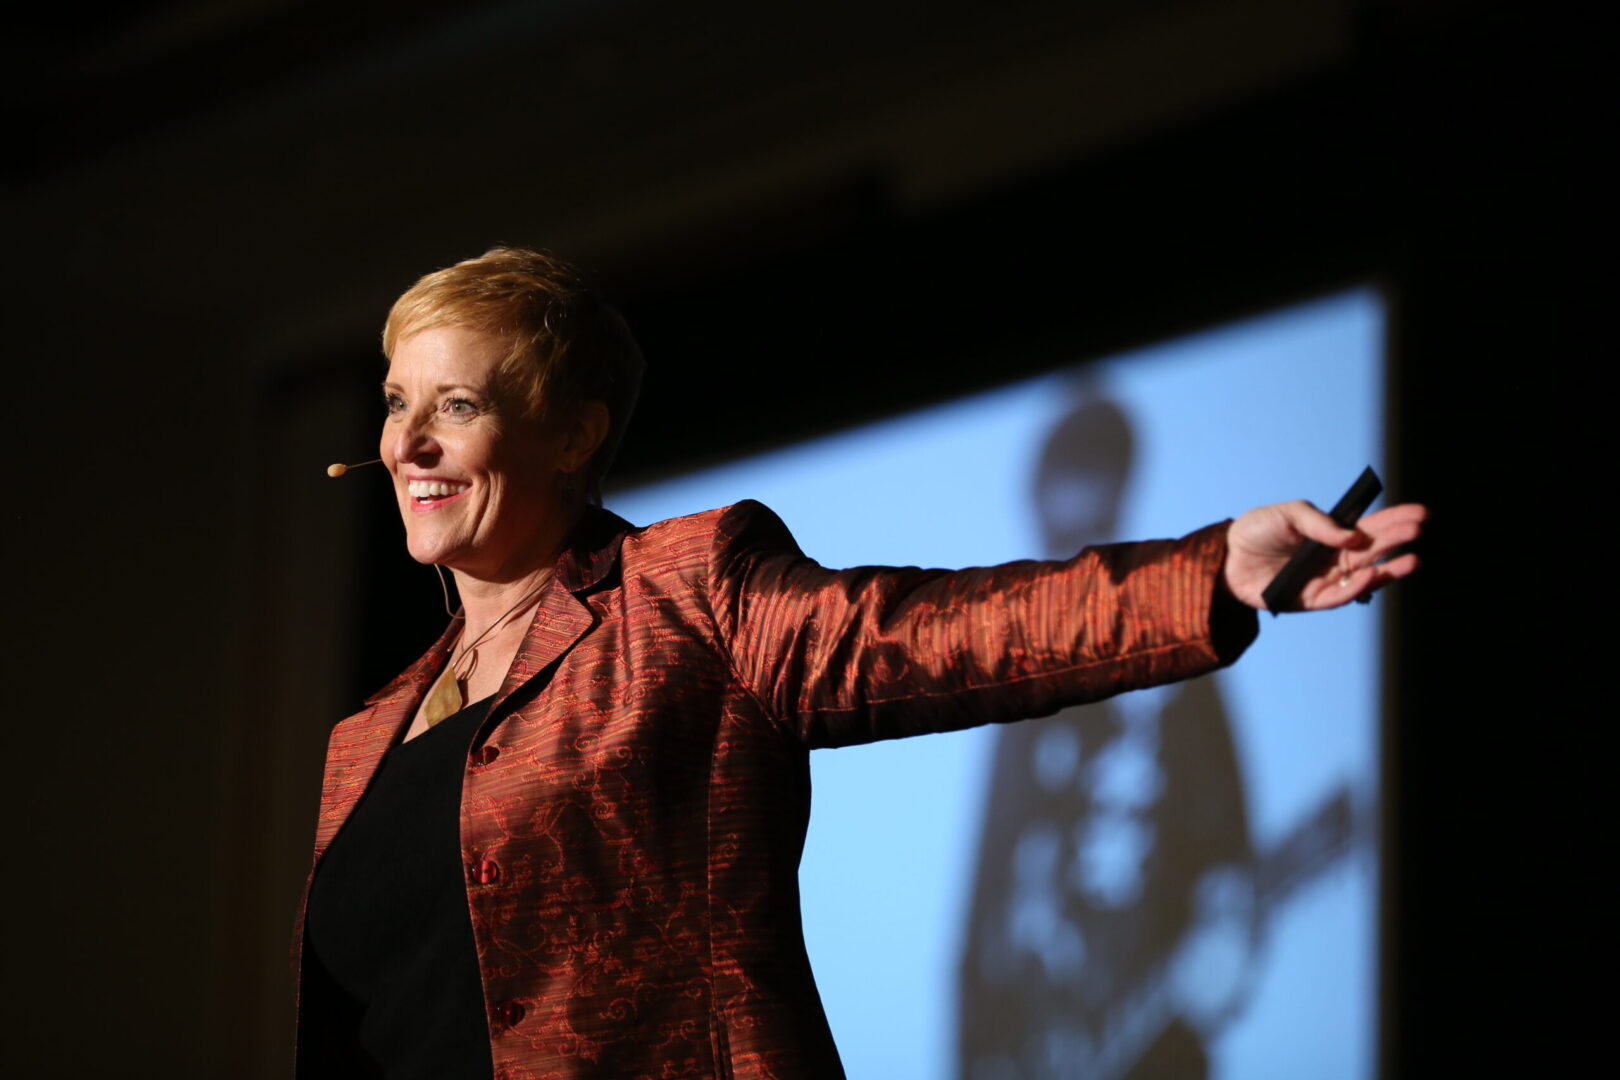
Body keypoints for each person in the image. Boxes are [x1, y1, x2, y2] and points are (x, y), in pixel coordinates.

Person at [292, 247, 1426, 1080]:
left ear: (574, 434)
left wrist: (1215, 569)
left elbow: (940, 635)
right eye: (398, 402)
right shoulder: (363, 739)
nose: (407, 443)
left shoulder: (684, 594)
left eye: (458, 405)